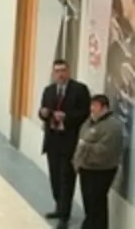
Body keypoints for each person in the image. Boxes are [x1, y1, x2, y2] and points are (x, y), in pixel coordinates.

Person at [38, 59, 90, 226]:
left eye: (63, 70)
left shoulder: (79, 90)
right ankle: (59, 207)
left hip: (69, 141)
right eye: (57, 71)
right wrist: (43, 113)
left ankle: (64, 215)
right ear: (53, 73)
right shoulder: (49, 90)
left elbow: (84, 114)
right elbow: (43, 111)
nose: (60, 74)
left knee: (66, 178)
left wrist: (67, 117)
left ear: (68, 72)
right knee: (54, 177)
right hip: (52, 140)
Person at [73, 94, 124, 229]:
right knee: (89, 203)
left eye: (95, 106)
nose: (92, 109)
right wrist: (77, 161)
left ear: (104, 108)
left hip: (101, 171)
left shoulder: (113, 126)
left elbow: (105, 150)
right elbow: (81, 140)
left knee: (97, 203)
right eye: (91, 105)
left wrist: (86, 146)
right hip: (86, 168)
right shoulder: (89, 122)